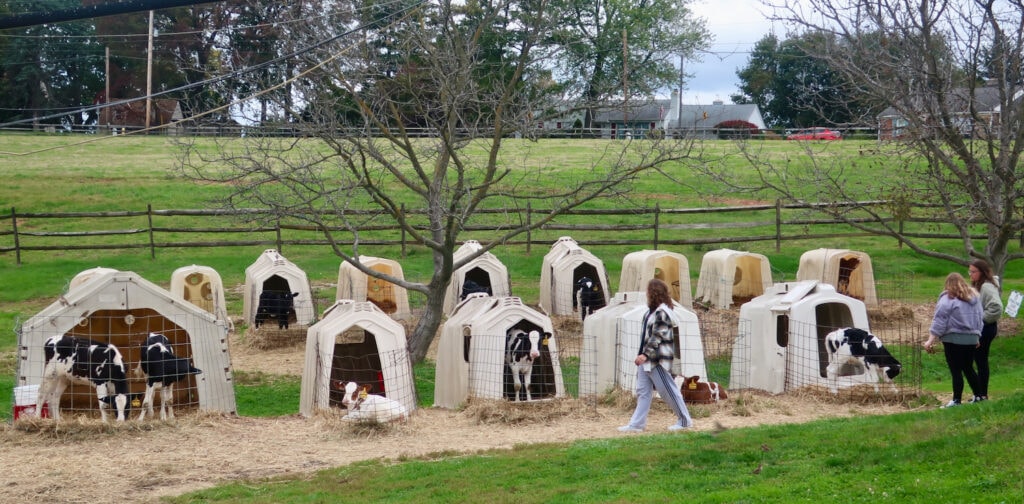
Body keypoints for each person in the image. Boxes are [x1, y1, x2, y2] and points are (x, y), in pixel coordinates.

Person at [618, 279, 693, 432]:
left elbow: (657, 336)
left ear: (652, 293)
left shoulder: (662, 314)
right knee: (642, 391)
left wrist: (645, 355)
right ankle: (637, 424)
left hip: (656, 360)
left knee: (668, 391)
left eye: (647, 291)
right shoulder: (651, 312)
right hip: (647, 360)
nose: (646, 294)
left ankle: (685, 420)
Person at [924, 272, 984, 407]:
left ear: (947, 285)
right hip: (971, 338)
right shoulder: (974, 299)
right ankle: (979, 396)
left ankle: (957, 400)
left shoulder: (947, 300)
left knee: (956, 369)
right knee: (968, 368)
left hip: (953, 338)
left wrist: (930, 340)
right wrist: (977, 335)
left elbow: (939, 321)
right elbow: (980, 318)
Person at [969, 259, 1002, 401]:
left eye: (973, 271)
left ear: (981, 272)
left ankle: (981, 394)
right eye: (969, 271)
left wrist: (979, 319)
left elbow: (996, 307)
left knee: (980, 360)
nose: (970, 274)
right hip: (983, 328)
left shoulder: (986, 287)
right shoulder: (980, 285)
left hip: (986, 328)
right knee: (979, 360)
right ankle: (980, 393)